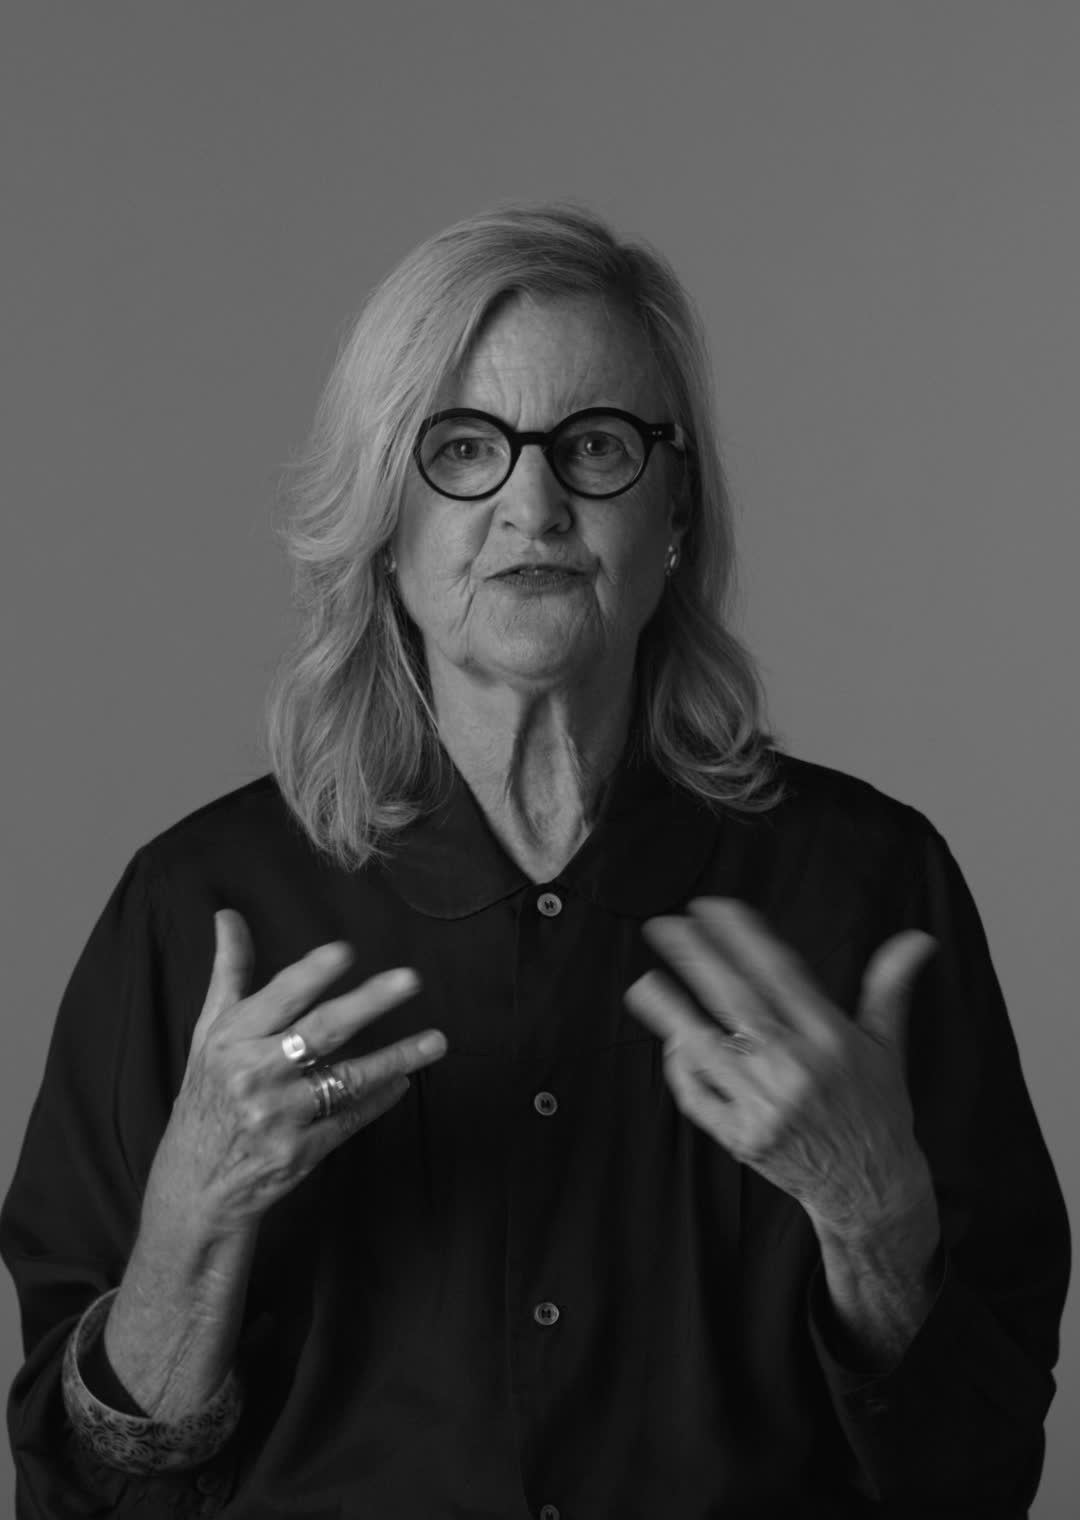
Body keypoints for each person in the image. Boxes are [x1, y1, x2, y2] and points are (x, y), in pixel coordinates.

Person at [0, 201, 1069, 1520]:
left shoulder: (867, 888)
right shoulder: (197, 908)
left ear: (675, 513)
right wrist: (193, 1221)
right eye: (464, 449)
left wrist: (877, 1225)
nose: (534, 503)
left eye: (595, 445)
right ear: (386, 522)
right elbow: (78, 1494)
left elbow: (980, 1473)